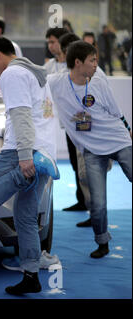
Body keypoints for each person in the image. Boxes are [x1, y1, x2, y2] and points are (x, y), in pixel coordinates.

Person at [0, 37, 60, 295]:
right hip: (44, 152)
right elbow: (36, 114)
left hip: (22, 152)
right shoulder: (35, 73)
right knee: (25, 217)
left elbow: (22, 114)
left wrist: (25, 156)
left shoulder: (12, 73)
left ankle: (24, 176)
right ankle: (31, 274)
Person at [47, 40, 132, 258]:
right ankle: (102, 242)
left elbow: (116, 110)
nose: (96, 64)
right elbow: (35, 78)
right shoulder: (56, 83)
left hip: (119, 141)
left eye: (96, 60)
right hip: (92, 151)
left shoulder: (99, 81)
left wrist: (128, 129)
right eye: (92, 60)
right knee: (97, 203)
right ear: (77, 62)